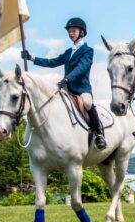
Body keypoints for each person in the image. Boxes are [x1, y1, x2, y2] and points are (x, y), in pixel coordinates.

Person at [21, 17, 106, 150]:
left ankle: (99, 133)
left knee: (88, 103)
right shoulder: (68, 52)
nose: (71, 34)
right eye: (69, 32)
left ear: (81, 32)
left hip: (81, 89)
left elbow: (82, 67)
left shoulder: (88, 50)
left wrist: (67, 79)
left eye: (73, 31)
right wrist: (31, 57)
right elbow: (52, 62)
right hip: (67, 89)